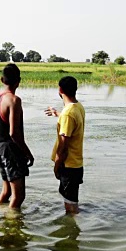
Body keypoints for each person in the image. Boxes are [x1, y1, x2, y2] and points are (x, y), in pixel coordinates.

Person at [0, 63, 35, 209]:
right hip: (11, 151)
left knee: (6, 192)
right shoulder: (14, 100)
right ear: (19, 81)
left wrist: (2, 125)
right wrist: (28, 153)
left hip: (0, 148)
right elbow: (14, 133)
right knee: (19, 196)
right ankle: (11, 228)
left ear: (2, 79)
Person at [45, 76, 86, 214]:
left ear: (60, 90)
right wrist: (58, 114)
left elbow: (63, 146)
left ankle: (72, 233)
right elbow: (70, 121)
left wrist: (57, 166)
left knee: (70, 207)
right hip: (76, 164)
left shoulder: (67, 114)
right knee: (72, 201)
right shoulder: (77, 107)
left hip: (68, 166)